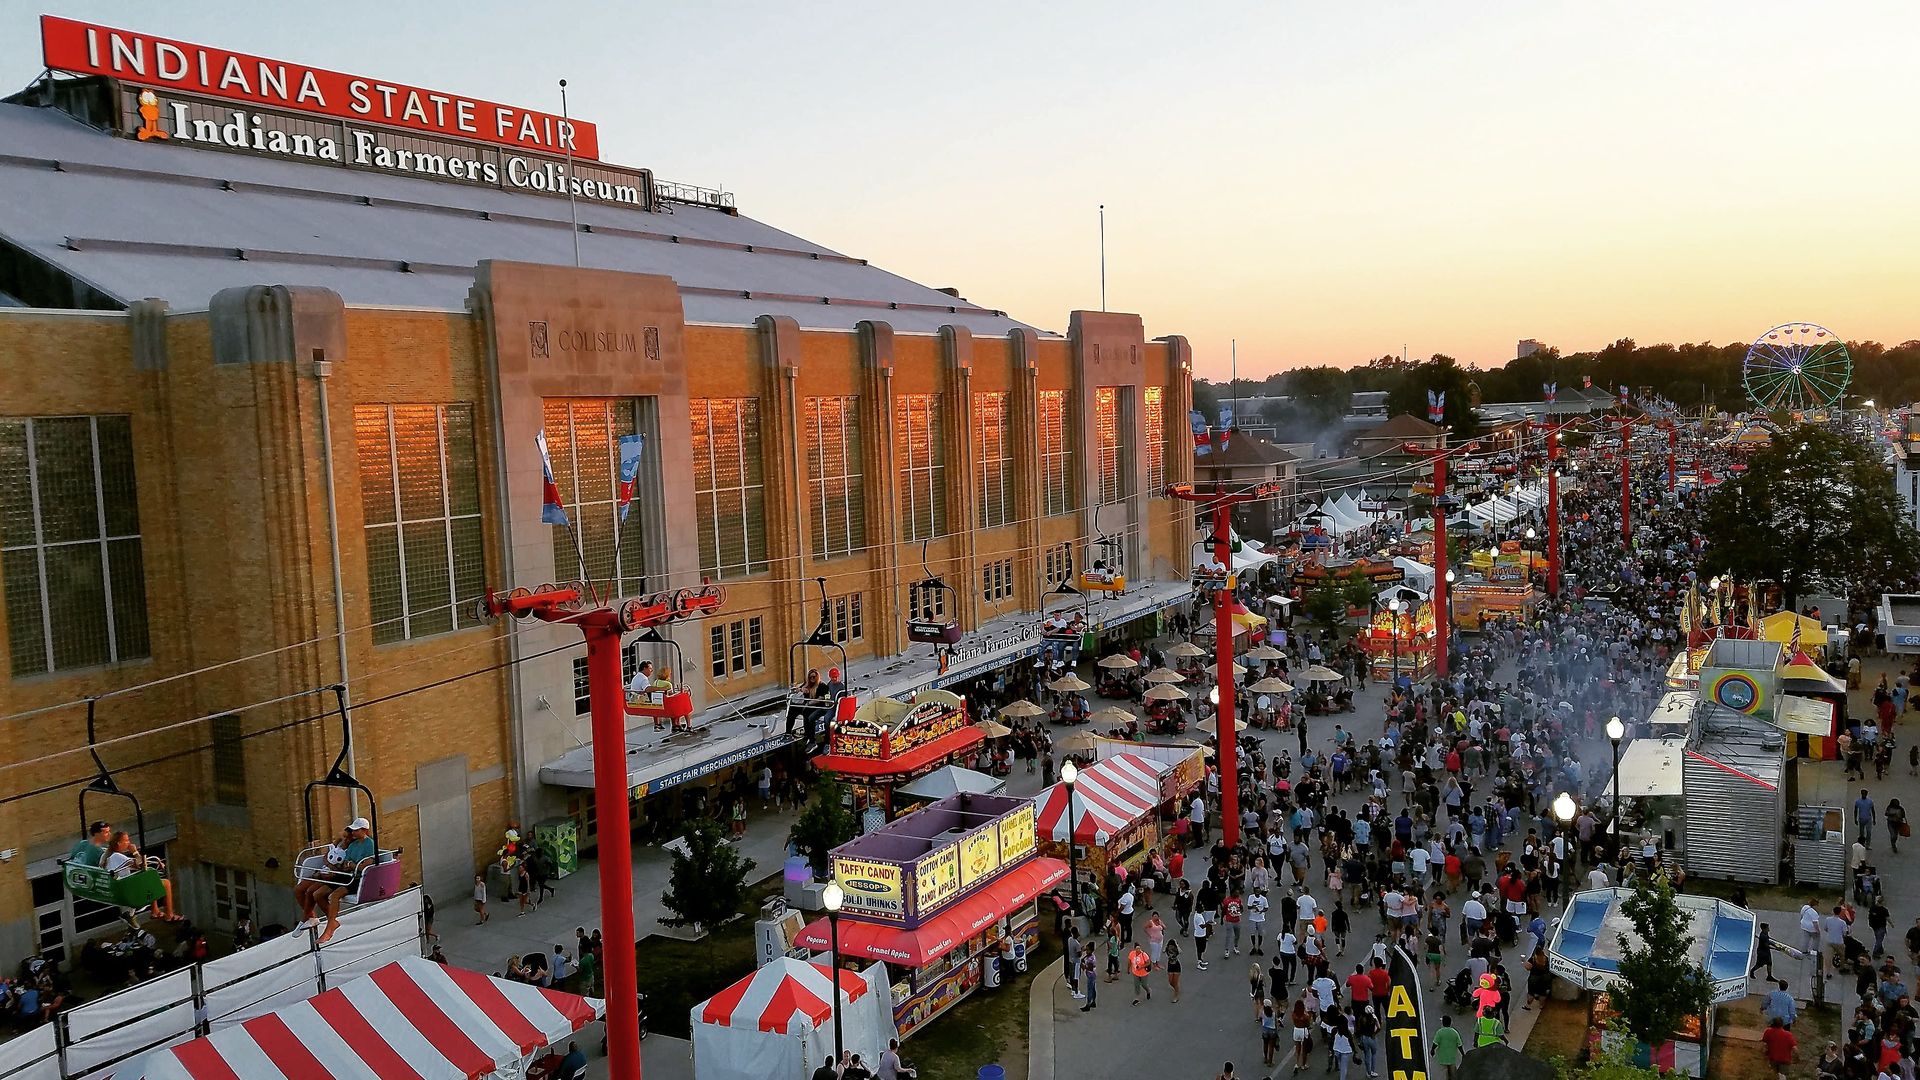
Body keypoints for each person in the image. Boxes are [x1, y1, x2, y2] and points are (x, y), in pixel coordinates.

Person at [104, 831, 181, 920]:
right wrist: (135, 852)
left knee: (148, 878)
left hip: (119, 889)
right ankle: (169, 915)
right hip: (129, 892)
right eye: (126, 840)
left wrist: (156, 861)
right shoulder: (117, 857)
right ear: (119, 843)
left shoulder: (108, 856)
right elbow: (140, 864)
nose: (129, 843)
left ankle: (155, 911)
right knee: (166, 883)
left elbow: (135, 865)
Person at [1433, 1014, 1464, 1080]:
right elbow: (1459, 1045)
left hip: (1442, 1058)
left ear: (1443, 1023)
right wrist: (1463, 1054)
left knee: (1443, 1075)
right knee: (1453, 1075)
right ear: (1450, 1023)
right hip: (1452, 1058)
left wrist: (1432, 1050)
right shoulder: (1454, 1032)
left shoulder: (1440, 1032)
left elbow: (1435, 1043)